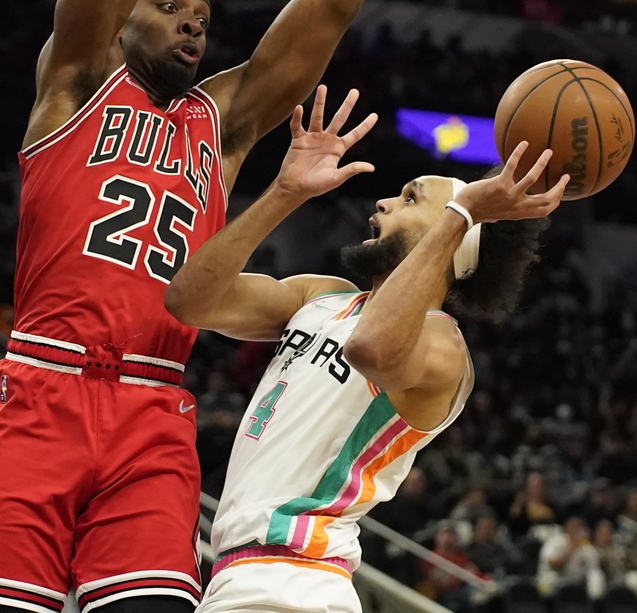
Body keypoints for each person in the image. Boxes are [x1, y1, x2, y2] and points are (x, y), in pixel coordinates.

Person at [0, 0, 422, 611]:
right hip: (40, 388)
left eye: (201, 15)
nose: (191, 24)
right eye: (168, 6)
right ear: (120, 14)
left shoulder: (223, 124)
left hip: (152, 406)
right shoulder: (75, 83)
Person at [164, 89, 567, 613]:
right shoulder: (321, 295)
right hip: (244, 576)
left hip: (296, 580)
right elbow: (189, 299)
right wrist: (284, 192)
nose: (382, 202)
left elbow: (371, 349)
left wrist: (463, 211)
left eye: (411, 198)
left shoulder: (442, 343)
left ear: (454, 233)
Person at [537, 517, 599, 595]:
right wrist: (571, 549)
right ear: (566, 528)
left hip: (577, 583)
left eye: (580, 527)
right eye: (573, 527)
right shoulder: (555, 541)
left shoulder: (587, 548)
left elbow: (593, 571)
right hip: (552, 582)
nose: (576, 531)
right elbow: (552, 564)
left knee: (596, 578)